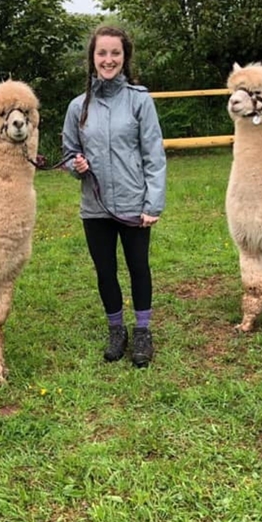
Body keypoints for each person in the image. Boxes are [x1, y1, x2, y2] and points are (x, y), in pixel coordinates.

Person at [61, 25, 167, 368]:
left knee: (139, 267)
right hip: (95, 207)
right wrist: (75, 164)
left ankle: (142, 331)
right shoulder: (78, 107)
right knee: (105, 271)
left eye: (115, 53)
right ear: (92, 59)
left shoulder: (139, 100)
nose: (109, 59)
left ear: (125, 57)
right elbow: (68, 153)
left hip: (135, 204)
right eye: (102, 53)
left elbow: (154, 155)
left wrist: (153, 202)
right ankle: (115, 329)